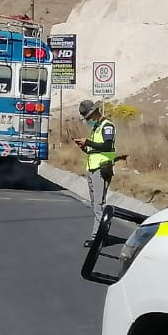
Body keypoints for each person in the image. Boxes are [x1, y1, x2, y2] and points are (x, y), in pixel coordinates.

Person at [73, 98, 117, 247]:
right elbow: (95, 150)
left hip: (101, 169)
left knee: (99, 204)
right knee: (95, 204)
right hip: (92, 169)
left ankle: (97, 238)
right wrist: (84, 147)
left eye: (88, 118)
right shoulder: (96, 128)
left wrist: (88, 142)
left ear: (95, 113)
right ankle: (100, 235)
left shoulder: (107, 126)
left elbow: (107, 146)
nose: (88, 121)